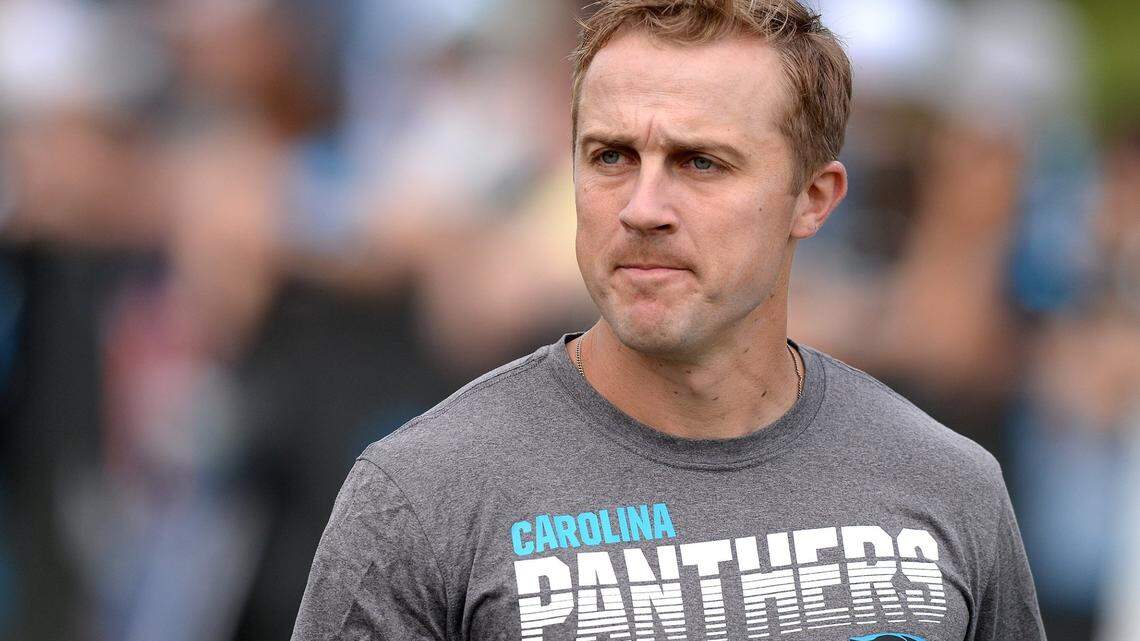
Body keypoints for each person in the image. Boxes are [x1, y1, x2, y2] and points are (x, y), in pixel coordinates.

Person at [290, 1, 1046, 639]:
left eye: (700, 162)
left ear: (813, 198)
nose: (642, 208)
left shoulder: (948, 486)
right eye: (611, 157)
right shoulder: (422, 495)